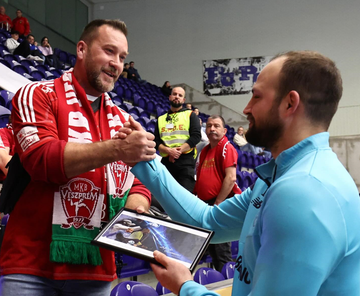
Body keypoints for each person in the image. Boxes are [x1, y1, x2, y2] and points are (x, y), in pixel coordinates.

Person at [128, 51, 360, 295]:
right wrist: (146, 159)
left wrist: (186, 287)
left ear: (290, 103)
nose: (247, 108)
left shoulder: (303, 191)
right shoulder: (281, 176)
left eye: (256, 97)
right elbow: (207, 222)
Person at [0, 19, 156, 296]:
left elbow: (137, 184)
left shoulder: (123, 119)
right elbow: (42, 160)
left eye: (122, 57)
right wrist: (117, 149)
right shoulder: (37, 95)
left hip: (96, 271)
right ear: (82, 49)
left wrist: (136, 205)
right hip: (31, 268)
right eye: (109, 51)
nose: (117, 63)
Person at [194, 115, 241, 272]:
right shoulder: (205, 150)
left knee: (221, 252)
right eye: (209, 126)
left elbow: (231, 178)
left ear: (224, 130)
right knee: (209, 249)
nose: (212, 129)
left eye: (216, 126)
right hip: (205, 205)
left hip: (219, 205)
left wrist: (219, 203)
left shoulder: (226, 147)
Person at [154, 86, 201, 192]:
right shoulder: (161, 119)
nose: (177, 97)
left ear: (183, 100)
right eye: (174, 94)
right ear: (170, 97)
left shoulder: (191, 115)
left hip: (186, 162)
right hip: (167, 162)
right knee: (163, 197)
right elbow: (156, 141)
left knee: (184, 199)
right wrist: (169, 151)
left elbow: (196, 136)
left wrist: (177, 151)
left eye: (180, 95)